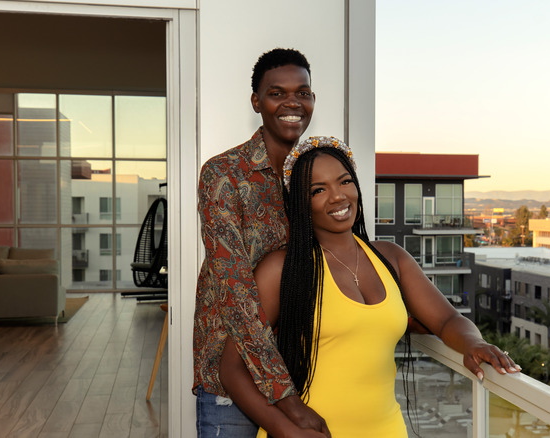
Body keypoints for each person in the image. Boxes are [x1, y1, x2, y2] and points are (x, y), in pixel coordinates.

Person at [219, 137, 521, 437]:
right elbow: (232, 368)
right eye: (318, 190)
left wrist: (473, 343)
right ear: (300, 203)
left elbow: (446, 319)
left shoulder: (392, 258)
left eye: (345, 182)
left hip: (386, 429)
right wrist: (285, 430)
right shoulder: (281, 269)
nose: (337, 197)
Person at [194, 48, 330, 438]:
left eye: (303, 93)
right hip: (233, 378)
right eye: (277, 92)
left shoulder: (316, 174)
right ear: (257, 101)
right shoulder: (223, 174)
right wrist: (285, 399)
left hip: (306, 367)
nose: (292, 102)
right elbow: (235, 292)